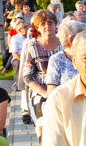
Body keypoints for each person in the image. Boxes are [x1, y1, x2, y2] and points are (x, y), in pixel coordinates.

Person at [21, 10, 62, 138]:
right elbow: (27, 76)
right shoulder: (32, 46)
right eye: (42, 24)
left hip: (63, 90)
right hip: (41, 92)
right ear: (38, 27)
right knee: (44, 130)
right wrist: (45, 93)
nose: (46, 26)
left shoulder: (64, 44)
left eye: (50, 23)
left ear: (55, 25)